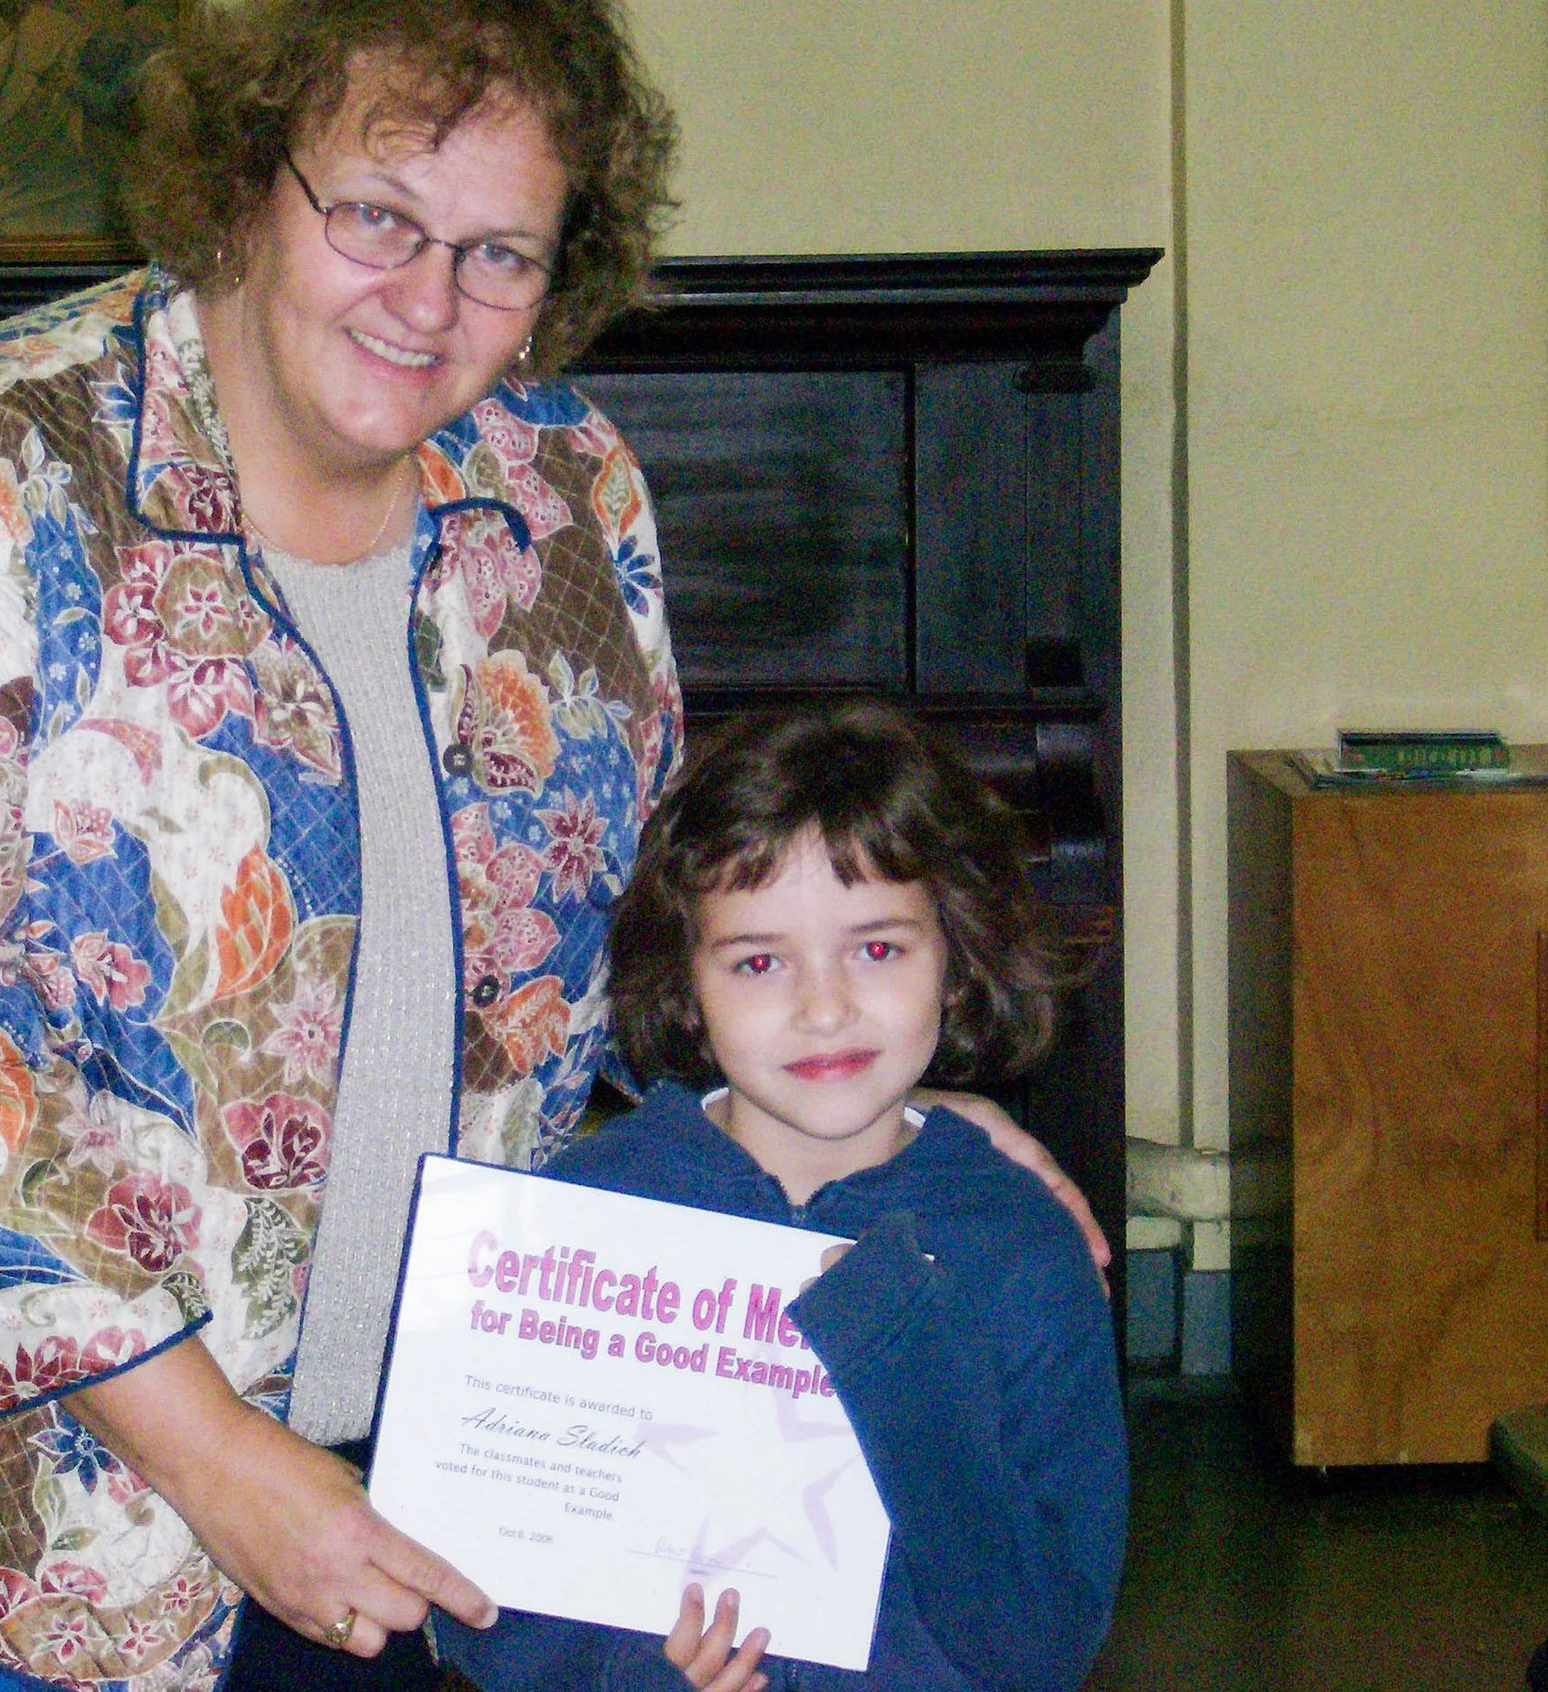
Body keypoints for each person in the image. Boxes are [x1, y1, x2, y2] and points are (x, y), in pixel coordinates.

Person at [0, 0, 1106, 1692]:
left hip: (414, 1461)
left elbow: (646, 943)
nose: (428, 302)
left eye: (499, 252)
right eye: (376, 217)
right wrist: (216, 1458)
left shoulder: (561, 490)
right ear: (243, 185)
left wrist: (891, 1135)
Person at [439, 701, 1126, 1692]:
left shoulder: (1021, 1248)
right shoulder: (586, 1214)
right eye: (758, 960)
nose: (823, 1004)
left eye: (877, 948)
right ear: (687, 978)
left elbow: (1038, 1646)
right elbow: (490, 1620)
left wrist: (896, 1347)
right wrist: (647, 1673)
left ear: (955, 952)